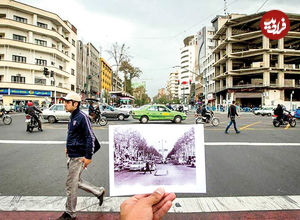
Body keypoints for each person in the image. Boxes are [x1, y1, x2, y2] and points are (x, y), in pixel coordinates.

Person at [57, 92, 105, 220]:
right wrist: (68, 146)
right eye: (65, 101)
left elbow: (89, 137)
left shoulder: (82, 117)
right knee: (75, 181)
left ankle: (70, 214)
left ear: (75, 103)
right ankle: (98, 192)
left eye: (67, 102)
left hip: (78, 156)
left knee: (70, 185)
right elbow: (71, 134)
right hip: (72, 154)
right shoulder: (72, 116)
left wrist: (88, 157)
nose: (65, 104)